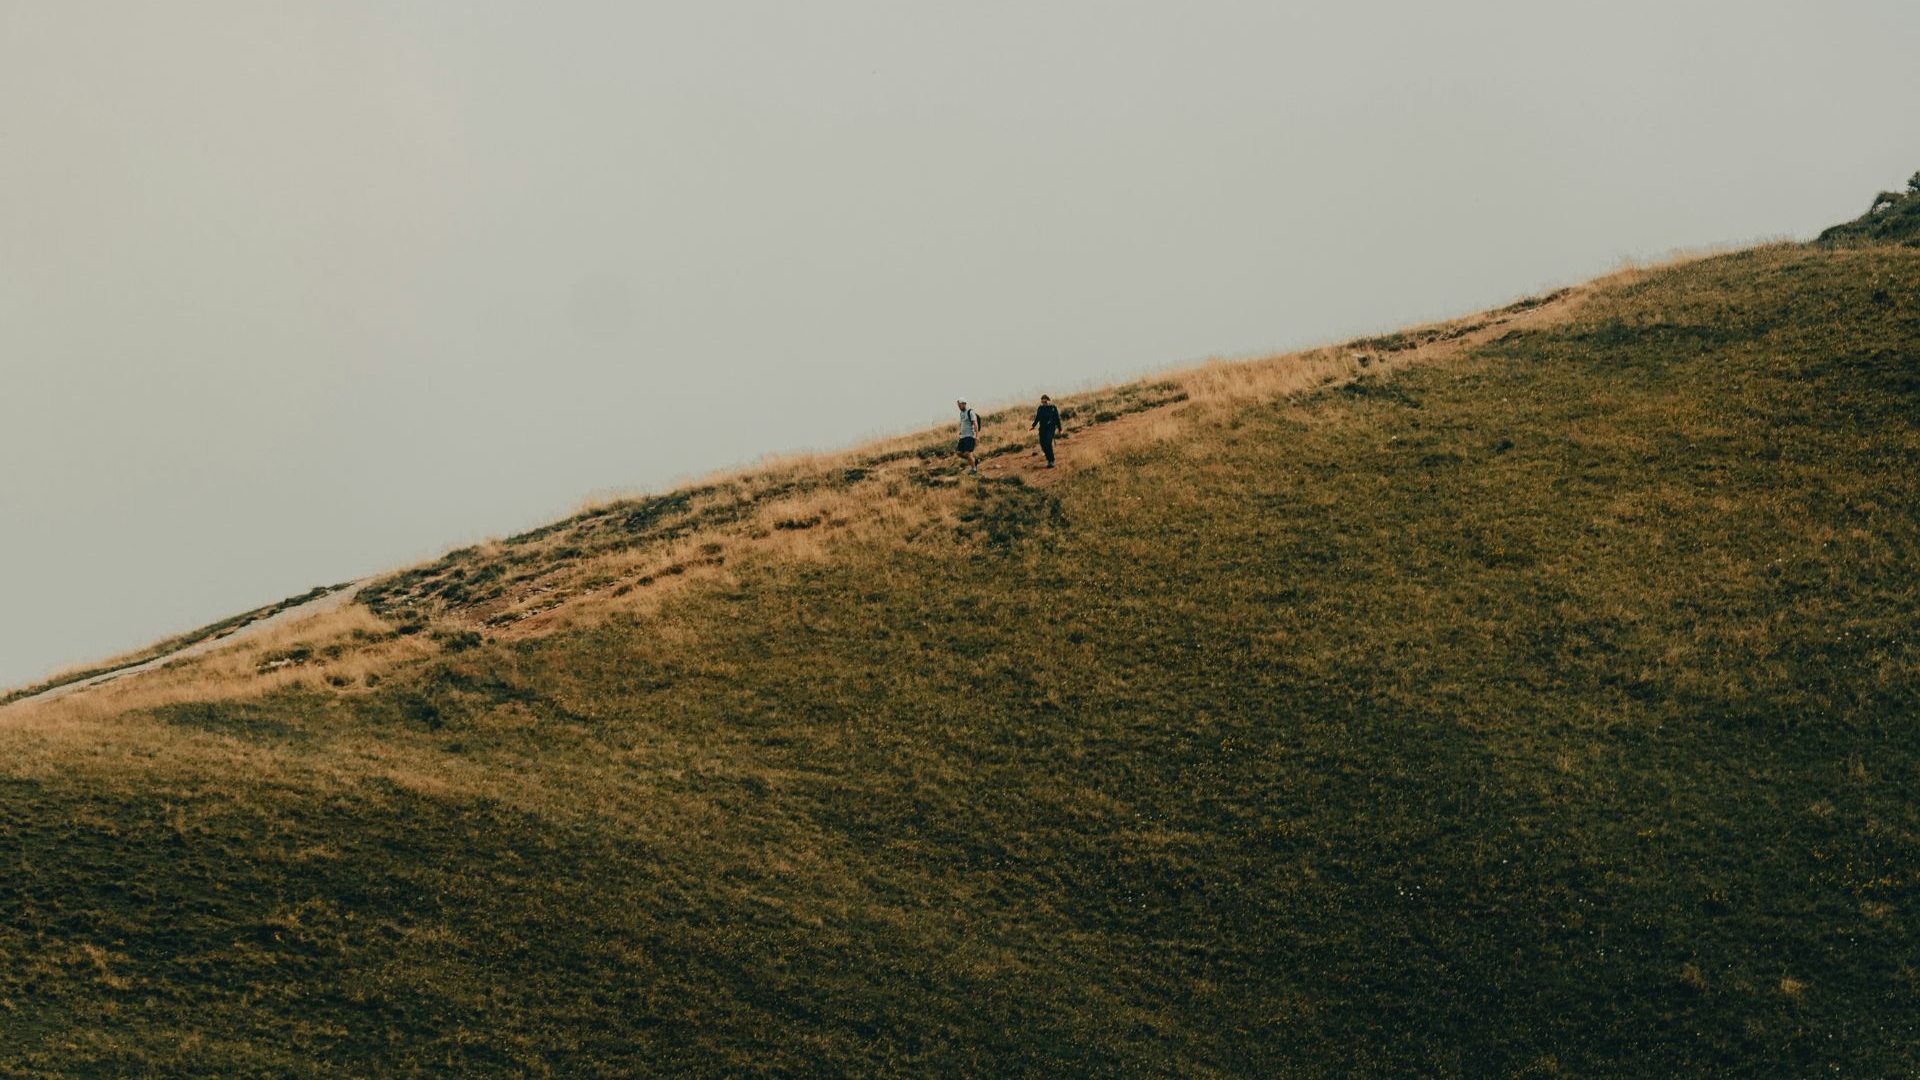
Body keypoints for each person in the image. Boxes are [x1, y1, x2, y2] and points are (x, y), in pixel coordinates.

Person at [1029, 394, 1063, 467]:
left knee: (1048, 443)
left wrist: (1060, 428)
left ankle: (1051, 460)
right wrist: (1033, 426)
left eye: (1045, 402)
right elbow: (1037, 418)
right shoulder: (1040, 408)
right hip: (1042, 429)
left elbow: (1057, 418)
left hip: (1051, 428)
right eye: (1042, 402)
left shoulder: (1053, 408)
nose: (1044, 403)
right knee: (1043, 444)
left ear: (1048, 401)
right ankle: (1048, 459)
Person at [955, 399, 981, 475]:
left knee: (968, 453)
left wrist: (977, 436)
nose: (959, 407)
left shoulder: (970, 412)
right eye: (958, 406)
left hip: (970, 436)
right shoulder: (961, 413)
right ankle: (974, 461)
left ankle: (974, 470)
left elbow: (975, 424)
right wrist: (960, 433)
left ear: (964, 404)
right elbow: (963, 423)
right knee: (959, 453)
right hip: (963, 437)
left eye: (960, 405)